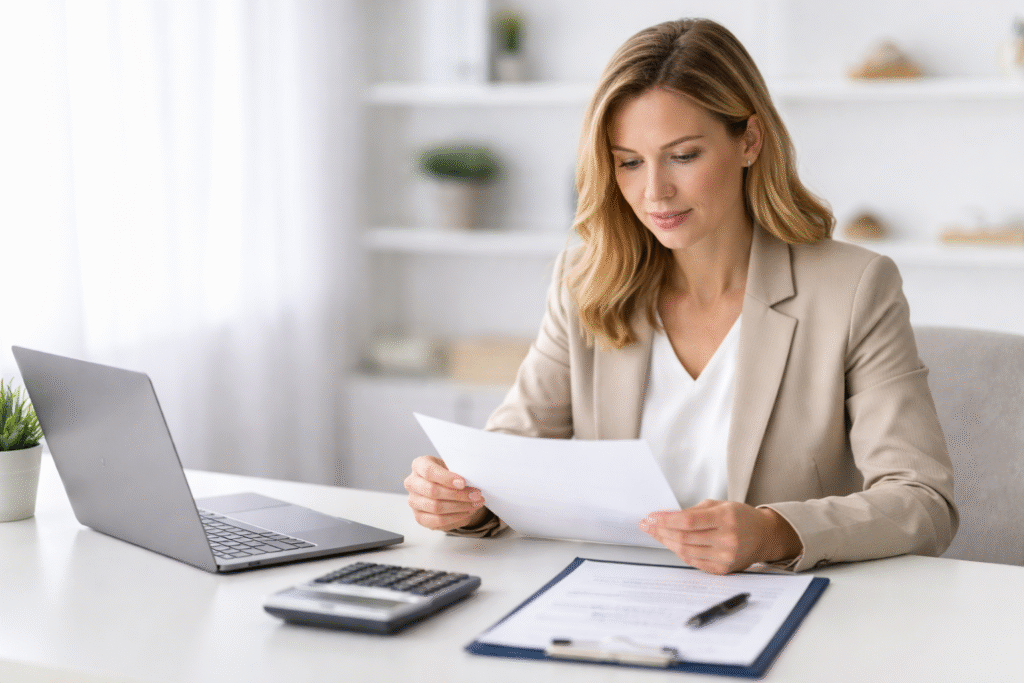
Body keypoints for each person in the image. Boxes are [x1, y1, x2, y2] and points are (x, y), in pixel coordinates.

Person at [404, 18, 957, 574]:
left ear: (748, 141)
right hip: (611, 605)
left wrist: (773, 532)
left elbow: (923, 501)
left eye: (684, 156)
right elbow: (510, 460)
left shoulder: (854, 287)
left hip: (782, 608)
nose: (654, 192)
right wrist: (461, 501)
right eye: (629, 162)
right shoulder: (585, 282)